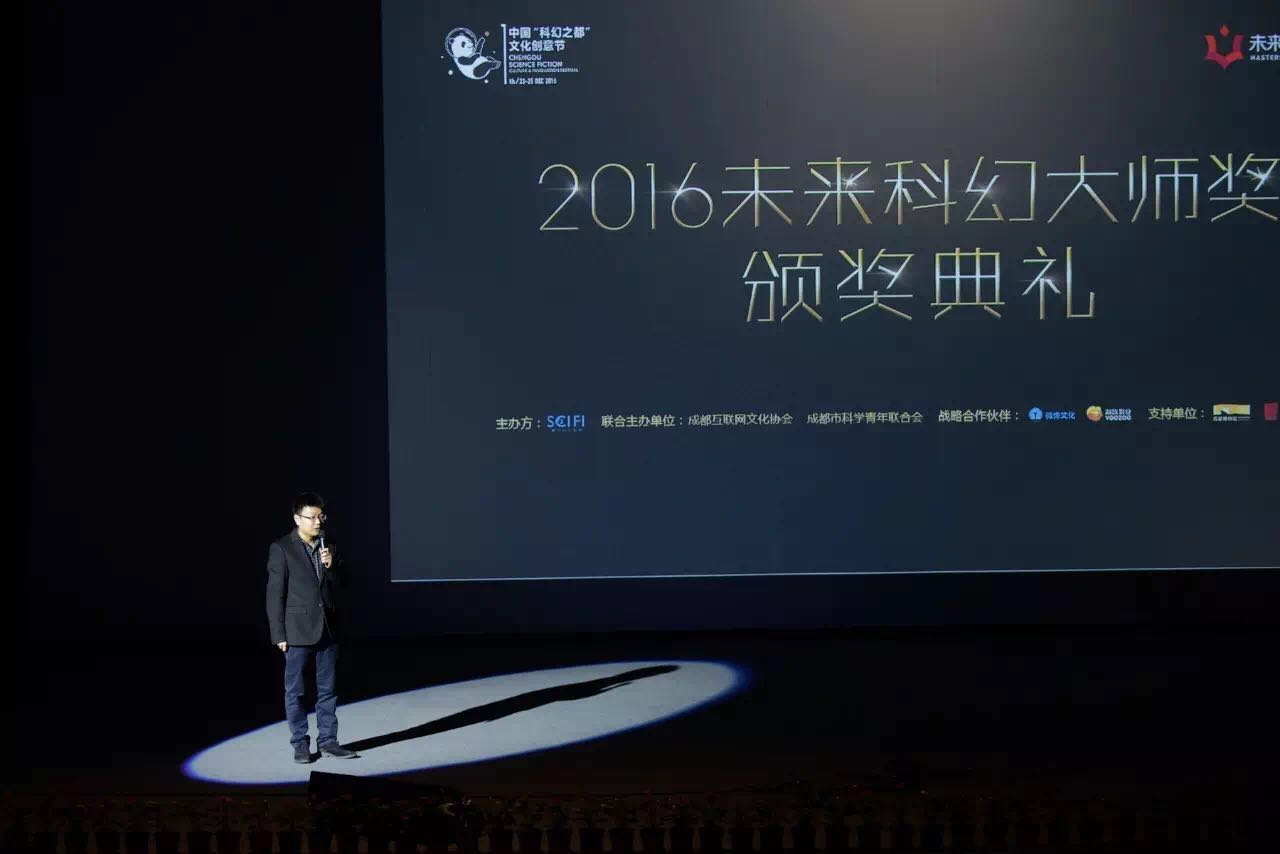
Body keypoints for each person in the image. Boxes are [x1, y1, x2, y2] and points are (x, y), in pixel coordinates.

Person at [265, 492, 359, 763]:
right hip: (296, 631)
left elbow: (344, 583)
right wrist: (278, 634)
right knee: (296, 692)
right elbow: (275, 595)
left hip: (328, 629)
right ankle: (300, 744)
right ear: (297, 519)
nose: (318, 522)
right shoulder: (282, 548)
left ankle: (328, 742)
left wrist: (331, 566)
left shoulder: (330, 544)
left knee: (328, 690)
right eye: (312, 517)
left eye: (321, 516)